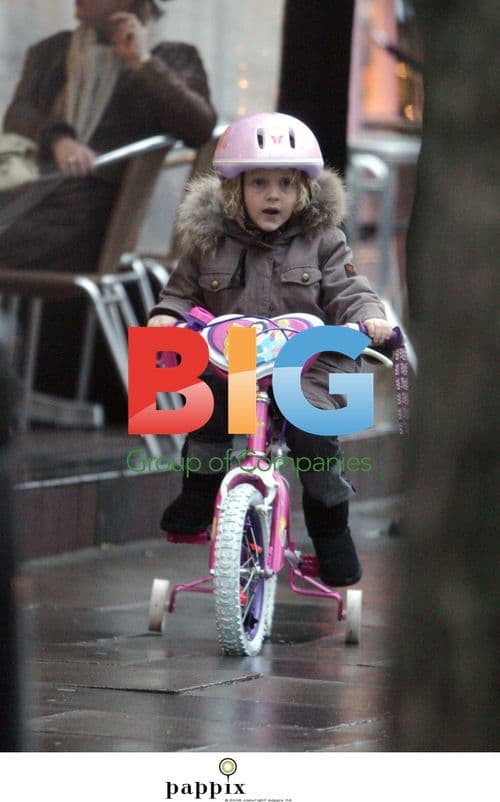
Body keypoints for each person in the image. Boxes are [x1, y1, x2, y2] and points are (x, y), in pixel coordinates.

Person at [148, 112, 392, 587]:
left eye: (286, 183)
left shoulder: (324, 241)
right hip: (232, 360)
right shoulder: (207, 242)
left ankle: (330, 527)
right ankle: (199, 491)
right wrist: (168, 316)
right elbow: (181, 292)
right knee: (208, 411)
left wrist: (368, 317)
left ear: (304, 189)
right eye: (259, 183)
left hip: (304, 363)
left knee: (315, 430)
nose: (273, 195)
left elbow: (348, 290)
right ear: (233, 189)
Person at [0, 0, 216, 408]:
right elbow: (17, 116)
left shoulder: (172, 57)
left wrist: (142, 62)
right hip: (32, 199)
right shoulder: (51, 52)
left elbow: (199, 125)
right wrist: (58, 137)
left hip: (90, 222)